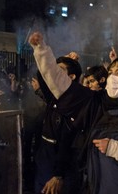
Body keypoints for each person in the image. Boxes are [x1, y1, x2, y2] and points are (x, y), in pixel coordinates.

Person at [28, 32, 118, 194]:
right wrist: (41, 50)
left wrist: (115, 148)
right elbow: (61, 85)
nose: (112, 77)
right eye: (110, 72)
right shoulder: (96, 102)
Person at [34, 56, 83, 194]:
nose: (53, 72)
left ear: (72, 76)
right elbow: (42, 73)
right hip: (45, 153)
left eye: (59, 70)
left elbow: (67, 141)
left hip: (61, 159)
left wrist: (58, 174)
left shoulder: (77, 102)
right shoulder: (53, 96)